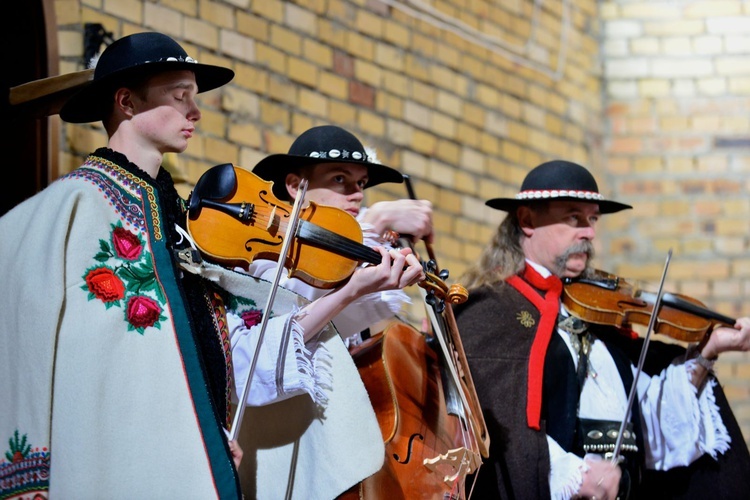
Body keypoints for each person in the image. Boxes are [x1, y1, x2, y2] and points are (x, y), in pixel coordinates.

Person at [0, 32, 423, 499]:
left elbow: (235, 347)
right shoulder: (72, 206)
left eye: (194, 98)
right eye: (179, 97)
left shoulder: (188, 223)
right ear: (125, 102)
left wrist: (210, 427)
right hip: (107, 458)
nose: (194, 112)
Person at [453, 159, 750, 499]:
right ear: (527, 220)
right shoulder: (488, 311)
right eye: (573, 217)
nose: (589, 232)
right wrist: (572, 474)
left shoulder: (601, 311)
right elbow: (496, 423)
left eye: (592, 218)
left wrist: (709, 350)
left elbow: (651, 418)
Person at [250, 124, 434, 346]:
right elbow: (288, 315)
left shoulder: (362, 260)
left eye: (361, 183)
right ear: (296, 186)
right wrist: (372, 225)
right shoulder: (265, 247)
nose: (357, 194)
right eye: (339, 179)